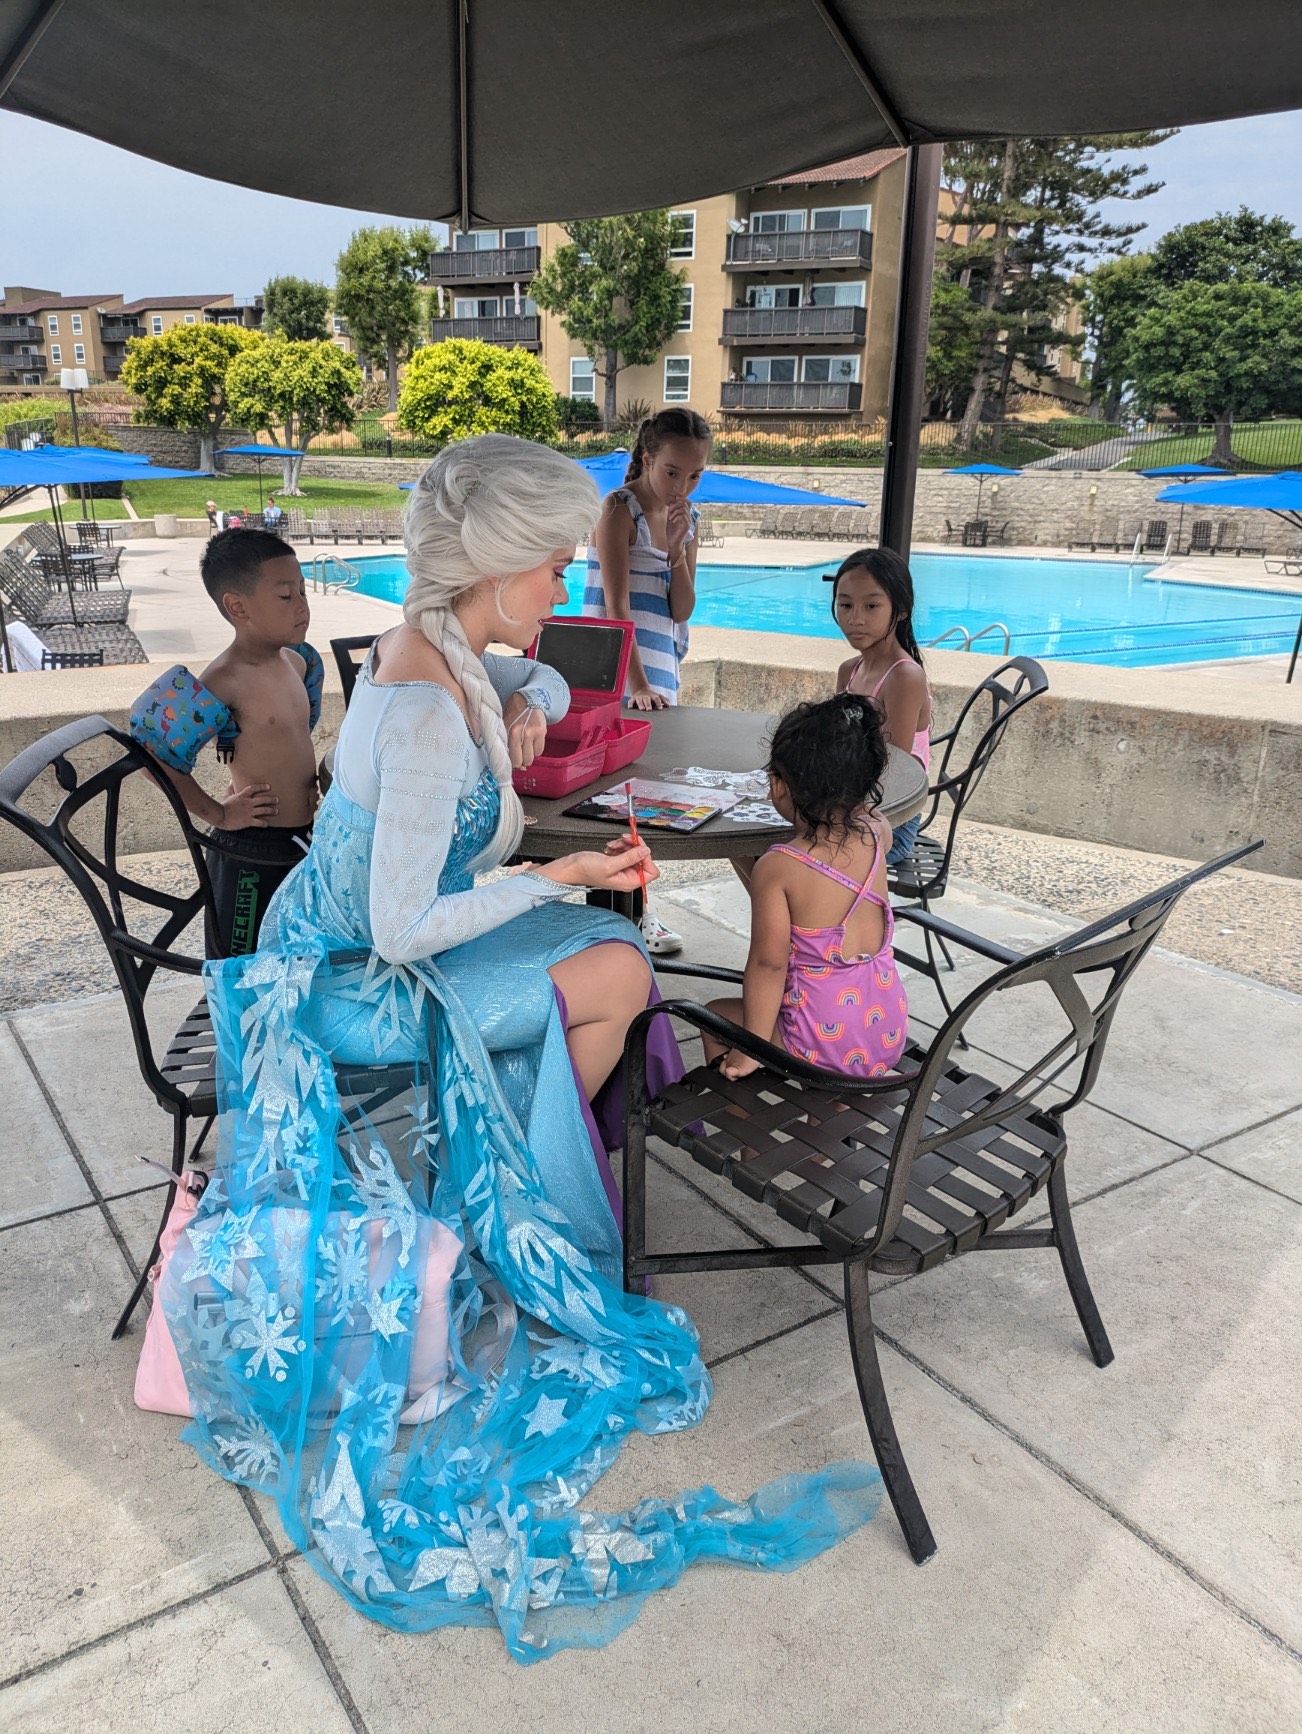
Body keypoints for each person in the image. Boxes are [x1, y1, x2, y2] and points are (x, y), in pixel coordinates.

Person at [153, 435, 881, 1662]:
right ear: (493, 570)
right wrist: (562, 868)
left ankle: (504, 1156)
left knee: (610, 962)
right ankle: (492, 1198)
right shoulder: (428, 707)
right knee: (612, 964)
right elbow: (401, 923)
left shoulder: (433, 644)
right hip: (348, 985)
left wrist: (533, 702)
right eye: (550, 569)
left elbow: (480, 759)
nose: (566, 589)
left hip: (347, 943)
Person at [129, 528, 323, 956]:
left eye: (304, 592)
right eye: (286, 596)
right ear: (237, 606)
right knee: (240, 959)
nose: (303, 606)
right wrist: (217, 811)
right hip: (253, 848)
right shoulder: (223, 679)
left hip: (302, 838)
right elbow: (151, 756)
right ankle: (235, 1025)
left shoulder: (296, 660)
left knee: (295, 951)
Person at [703, 694, 908, 1081]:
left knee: (715, 1013)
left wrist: (751, 1047)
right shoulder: (878, 834)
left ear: (781, 785)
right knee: (827, 1027)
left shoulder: (779, 867)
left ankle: (751, 1140)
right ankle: (826, 1123)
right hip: (884, 1031)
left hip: (821, 1043)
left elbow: (769, 964)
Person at [583, 407, 712, 955]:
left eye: (694, 474)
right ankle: (614, 917)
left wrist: (679, 550)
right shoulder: (619, 510)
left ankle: (633, 913)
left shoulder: (692, 519)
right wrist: (634, 684)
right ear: (646, 457)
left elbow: (681, 609)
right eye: (672, 472)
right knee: (611, 796)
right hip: (616, 671)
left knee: (648, 796)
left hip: (660, 669)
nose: (682, 485)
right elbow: (615, 607)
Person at [830, 547, 931, 866]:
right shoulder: (849, 670)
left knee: (778, 854)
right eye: (845, 604)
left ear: (900, 610)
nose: (854, 618)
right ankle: (799, 916)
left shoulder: (904, 677)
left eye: (871, 606)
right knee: (747, 836)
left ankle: (809, 915)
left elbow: (892, 771)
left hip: (890, 821)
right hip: (849, 803)